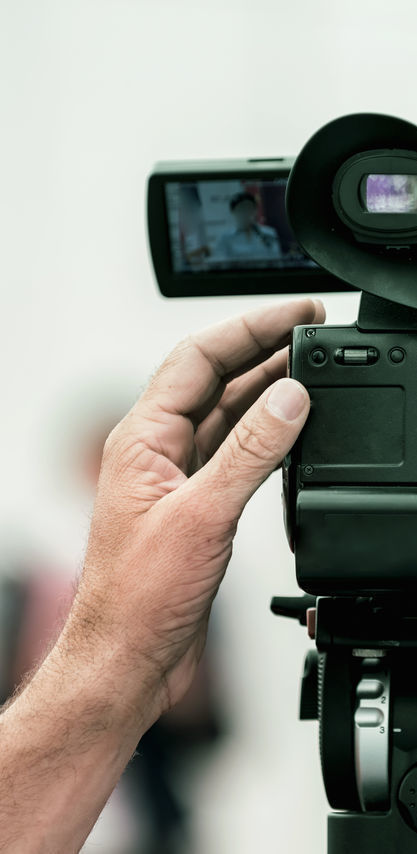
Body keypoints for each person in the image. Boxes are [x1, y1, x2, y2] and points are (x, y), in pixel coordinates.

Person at [0, 298, 323, 853]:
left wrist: (157, 677)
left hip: (153, 827)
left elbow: (212, 729)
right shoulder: (19, 586)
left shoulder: (185, 578)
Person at [213, 192, 281, 262]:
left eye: (249, 208)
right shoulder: (225, 237)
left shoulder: (268, 233)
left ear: (255, 211)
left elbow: (276, 259)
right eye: (241, 209)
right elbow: (220, 262)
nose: (246, 213)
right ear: (233, 212)